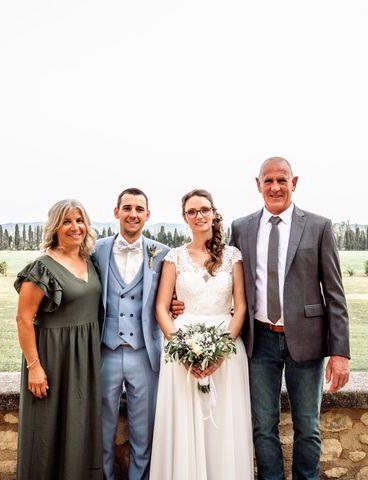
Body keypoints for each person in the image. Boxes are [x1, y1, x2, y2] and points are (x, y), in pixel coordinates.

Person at [230, 157, 351, 479]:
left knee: (308, 427)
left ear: (294, 182)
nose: (275, 187)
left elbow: (335, 295)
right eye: (268, 181)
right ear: (258, 185)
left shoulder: (318, 226)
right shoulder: (240, 229)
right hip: (259, 341)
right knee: (263, 425)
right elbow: (228, 283)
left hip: (307, 341)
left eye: (281, 180)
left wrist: (340, 353)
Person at [150, 189, 254, 480]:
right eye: (192, 211)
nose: (199, 216)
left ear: (213, 212)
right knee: (186, 422)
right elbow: (161, 308)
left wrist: (222, 351)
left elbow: (242, 307)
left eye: (204, 209)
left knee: (223, 424)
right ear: (184, 217)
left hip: (227, 348)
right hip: (181, 349)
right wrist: (181, 350)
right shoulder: (174, 257)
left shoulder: (233, 256)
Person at [14, 199, 102, 480]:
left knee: (80, 429)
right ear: (55, 227)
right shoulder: (42, 267)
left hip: (85, 359)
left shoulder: (91, 262)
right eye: (67, 221)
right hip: (52, 358)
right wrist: (34, 366)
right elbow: (23, 319)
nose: (75, 227)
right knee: (47, 431)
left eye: (79, 220)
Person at [92, 188, 170, 480]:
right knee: (101, 428)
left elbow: (173, 294)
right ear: (116, 212)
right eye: (127, 208)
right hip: (105, 351)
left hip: (145, 353)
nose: (133, 214)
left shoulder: (161, 253)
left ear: (147, 215)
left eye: (139, 209)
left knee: (144, 430)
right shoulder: (96, 249)